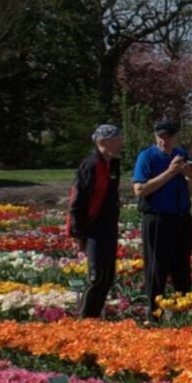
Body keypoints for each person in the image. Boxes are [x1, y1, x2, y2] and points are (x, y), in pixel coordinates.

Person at [132, 119, 192, 318]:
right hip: (158, 217)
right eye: (161, 137)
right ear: (155, 137)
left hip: (181, 217)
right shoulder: (147, 157)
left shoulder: (181, 154)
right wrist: (170, 172)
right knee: (157, 268)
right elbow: (140, 189)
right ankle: (155, 315)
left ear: (175, 137)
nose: (165, 141)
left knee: (182, 267)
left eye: (168, 137)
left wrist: (188, 172)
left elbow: (191, 181)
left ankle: (182, 313)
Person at [68, 124, 123, 318]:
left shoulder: (113, 164)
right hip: (93, 227)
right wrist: (77, 233)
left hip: (108, 226)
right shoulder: (91, 165)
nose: (120, 143)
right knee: (97, 276)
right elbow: (77, 200)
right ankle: (85, 320)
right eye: (116, 139)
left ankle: (94, 317)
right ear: (102, 142)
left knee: (107, 276)